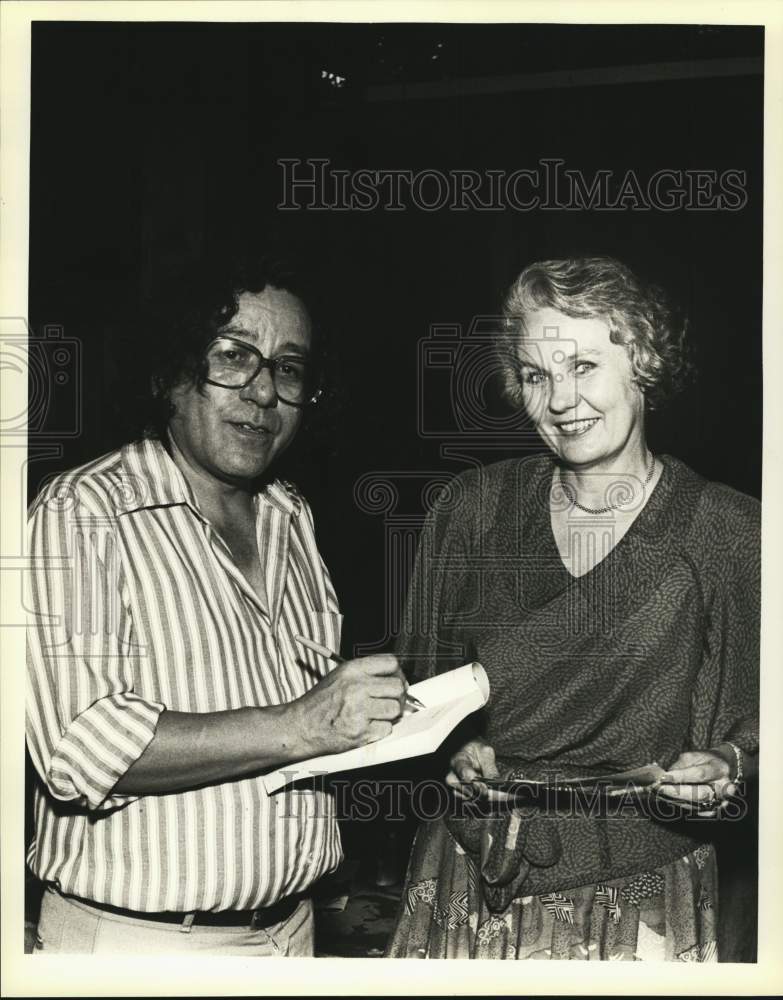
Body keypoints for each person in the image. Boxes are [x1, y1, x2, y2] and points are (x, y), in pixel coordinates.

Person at [25, 255, 407, 955]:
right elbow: (77, 747)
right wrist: (301, 723)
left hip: (293, 931)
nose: (263, 392)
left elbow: (305, 722)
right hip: (143, 947)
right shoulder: (83, 511)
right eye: (234, 357)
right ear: (169, 374)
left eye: (289, 369)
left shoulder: (292, 517)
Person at [387, 256, 759, 961]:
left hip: (640, 891)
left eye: (583, 366)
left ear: (643, 363)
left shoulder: (731, 532)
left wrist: (728, 765)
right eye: (535, 375)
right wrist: (451, 751)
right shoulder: (469, 512)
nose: (559, 400)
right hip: (470, 873)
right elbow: (415, 695)